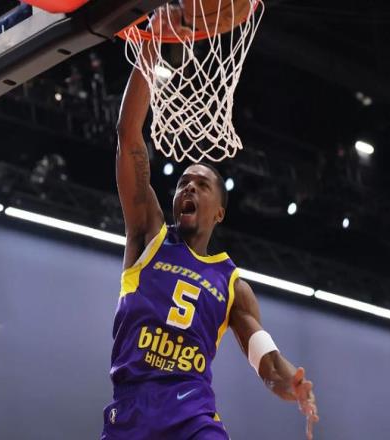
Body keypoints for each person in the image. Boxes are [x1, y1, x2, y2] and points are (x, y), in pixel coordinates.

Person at [101, 8, 319, 440]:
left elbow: (265, 361)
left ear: (219, 211)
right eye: (184, 182)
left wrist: (291, 383)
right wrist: (152, 46)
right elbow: (129, 135)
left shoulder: (232, 285)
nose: (189, 188)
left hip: (192, 416)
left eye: (201, 185)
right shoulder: (149, 235)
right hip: (131, 412)